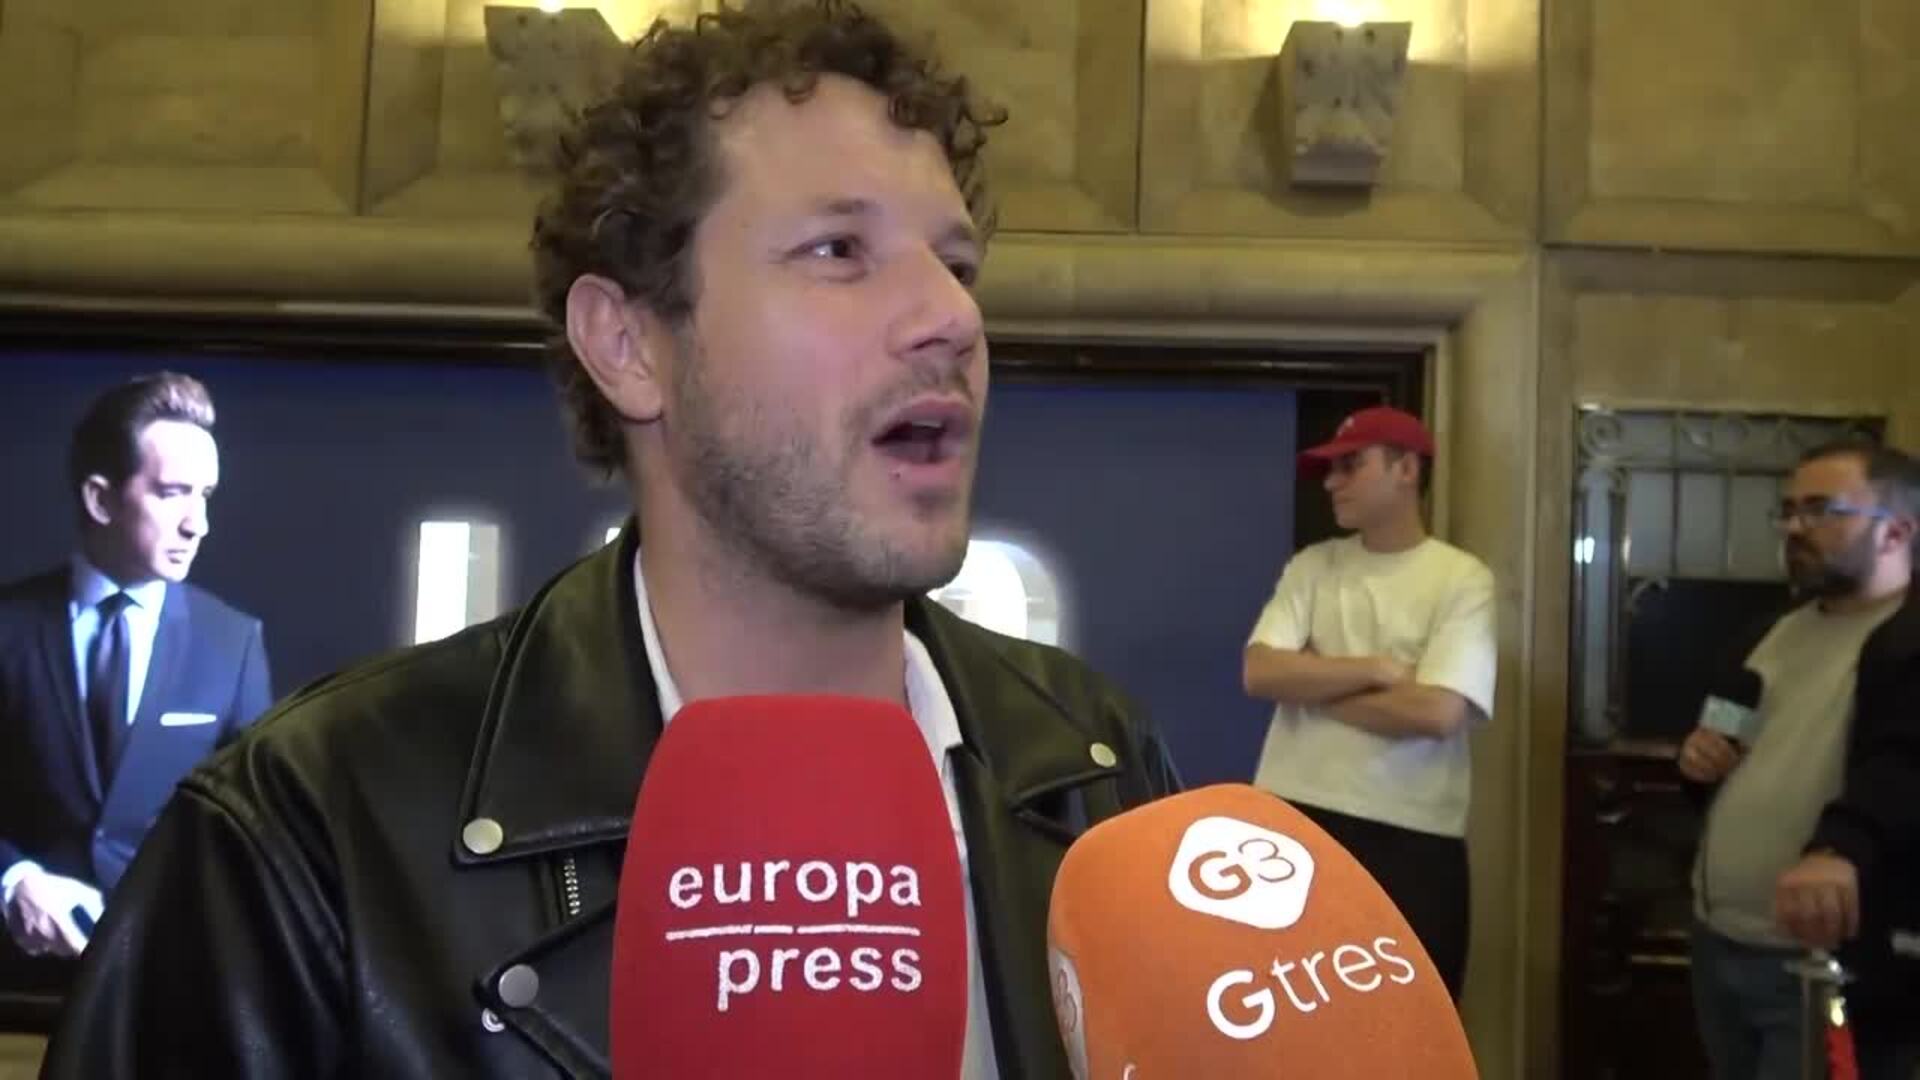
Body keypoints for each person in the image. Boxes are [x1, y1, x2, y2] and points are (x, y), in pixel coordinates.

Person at [42, 3, 1179, 1076]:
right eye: (839, 249)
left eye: (959, 265)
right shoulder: (312, 828)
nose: (953, 317)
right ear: (629, 346)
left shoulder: (1091, 766)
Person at [0, 372, 271, 977]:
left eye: (206, 495)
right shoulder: (8, 627)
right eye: (173, 493)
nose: (198, 523)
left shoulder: (233, 642)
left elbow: (254, 831)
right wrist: (11, 878)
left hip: (165, 983)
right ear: (100, 500)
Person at [1678, 440, 1919, 1080]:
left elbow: (1903, 767)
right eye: (1787, 511)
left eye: (1820, 510)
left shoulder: (1908, 638)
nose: (1793, 528)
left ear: (1896, 531)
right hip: (1720, 940)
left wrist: (1839, 848)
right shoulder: (1768, 633)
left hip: (1830, 963)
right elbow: (1724, 737)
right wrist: (1697, 762)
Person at [1241, 405, 1497, 1000]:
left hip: (1412, 832)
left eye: (1351, 465)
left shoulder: (1462, 579)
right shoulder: (1313, 567)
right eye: (1330, 470)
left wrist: (1312, 687)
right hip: (1295, 819)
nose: (1333, 482)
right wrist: (1375, 671)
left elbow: (1438, 713)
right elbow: (1260, 672)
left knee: (1410, 1019)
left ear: (1406, 469)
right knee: (1288, 1018)